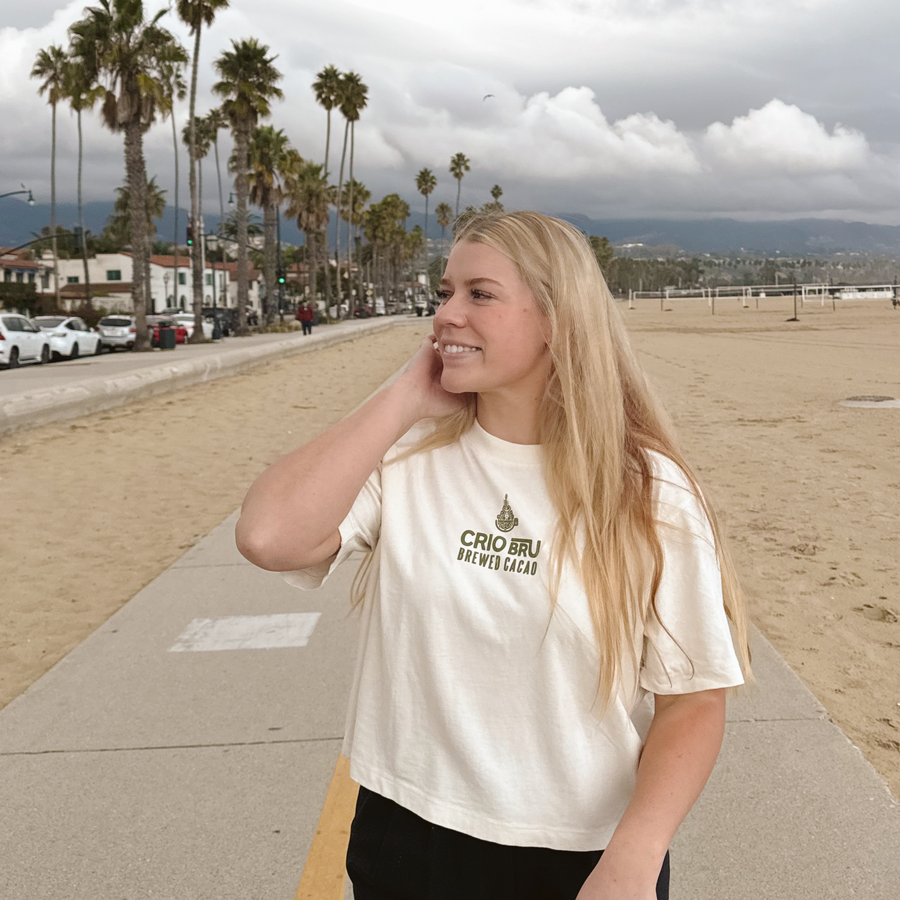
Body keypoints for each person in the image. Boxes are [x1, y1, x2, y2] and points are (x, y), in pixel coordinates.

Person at [236, 211, 752, 900]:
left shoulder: (645, 491)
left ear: (558, 320)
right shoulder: (408, 457)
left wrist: (633, 857)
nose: (445, 313)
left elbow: (693, 699)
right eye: (445, 292)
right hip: (405, 833)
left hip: (580, 855)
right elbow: (269, 538)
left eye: (479, 294)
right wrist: (403, 398)